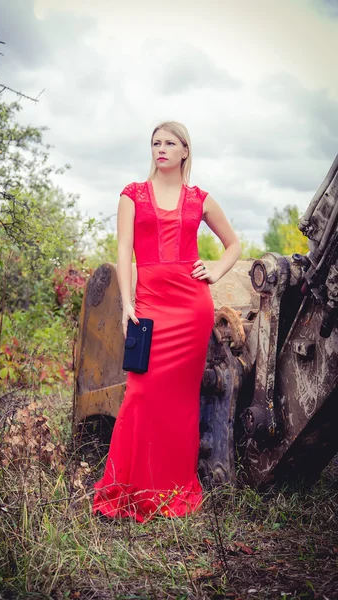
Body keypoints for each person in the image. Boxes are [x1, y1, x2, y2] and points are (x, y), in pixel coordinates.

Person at [92, 121, 241, 523]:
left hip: (192, 308)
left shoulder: (200, 198)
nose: (161, 148)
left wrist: (215, 271)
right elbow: (124, 252)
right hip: (150, 306)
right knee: (140, 394)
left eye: (170, 143)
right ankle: (126, 490)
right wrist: (126, 305)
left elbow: (234, 244)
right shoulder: (132, 195)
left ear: (184, 152)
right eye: (156, 142)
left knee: (179, 405)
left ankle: (172, 490)